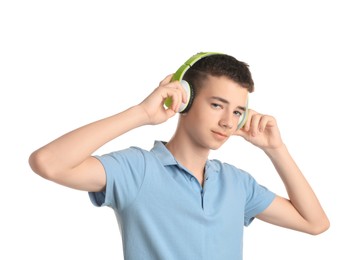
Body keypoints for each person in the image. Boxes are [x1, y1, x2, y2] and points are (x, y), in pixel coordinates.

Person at [29, 52, 330, 259]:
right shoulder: (137, 170)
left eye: (237, 111)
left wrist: (275, 150)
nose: (228, 121)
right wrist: (142, 113)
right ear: (183, 101)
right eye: (216, 105)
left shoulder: (237, 183)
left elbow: (315, 223)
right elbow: (48, 162)